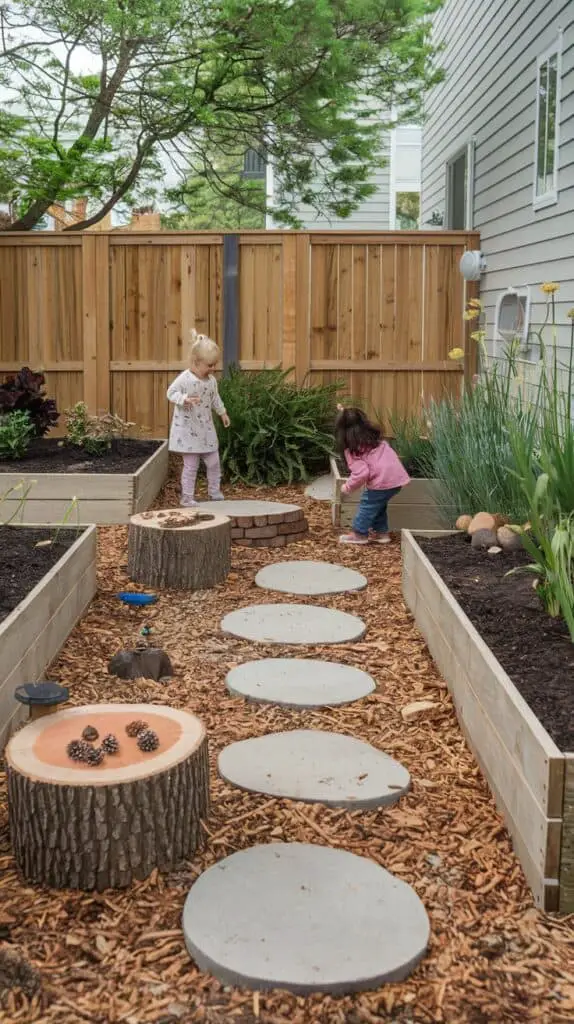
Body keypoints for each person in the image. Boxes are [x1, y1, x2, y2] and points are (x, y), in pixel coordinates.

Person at [167, 330, 230, 507]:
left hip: (206, 429)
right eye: (209, 365)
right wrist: (184, 399)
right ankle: (187, 497)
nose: (213, 368)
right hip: (188, 430)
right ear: (196, 362)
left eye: (214, 365)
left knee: (214, 461)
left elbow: (215, 398)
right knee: (191, 465)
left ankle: (214, 492)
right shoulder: (185, 379)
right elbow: (171, 393)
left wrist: (222, 413)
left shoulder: (211, 381)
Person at [335, 404, 410, 545]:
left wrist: (347, 487)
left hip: (381, 481)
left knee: (367, 505)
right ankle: (381, 533)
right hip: (396, 480)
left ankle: (359, 534)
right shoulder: (376, 441)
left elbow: (361, 473)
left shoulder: (353, 450)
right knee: (378, 505)